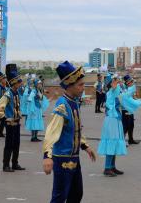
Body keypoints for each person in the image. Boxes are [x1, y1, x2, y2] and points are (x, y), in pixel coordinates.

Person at [42, 61, 96, 203]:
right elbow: (51, 132)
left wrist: (85, 146)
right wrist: (47, 156)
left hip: (74, 158)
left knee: (76, 194)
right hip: (62, 159)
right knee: (59, 197)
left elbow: (75, 129)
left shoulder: (74, 102)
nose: (83, 88)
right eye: (80, 85)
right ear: (69, 85)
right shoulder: (62, 106)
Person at [0, 64, 25, 172]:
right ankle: (6, 165)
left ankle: (15, 163)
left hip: (16, 122)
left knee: (16, 143)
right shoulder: (8, 94)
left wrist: (19, 114)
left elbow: (16, 106)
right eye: (18, 82)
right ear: (13, 82)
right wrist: (4, 118)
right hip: (10, 123)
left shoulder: (16, 92)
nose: (20, 83)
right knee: (9, 144)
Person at [97, 74, 128, 177]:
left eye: (117, 80)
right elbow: (116, 93)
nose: (117, 82)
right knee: (111, 141)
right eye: (114, 81)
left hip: (116, 119)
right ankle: (107, 168)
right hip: (111, 120)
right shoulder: (111, 93)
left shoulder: (115, 91)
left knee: (114, 142)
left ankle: (112, 166)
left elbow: (121, 94)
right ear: (110, 84)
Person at [121, 75, 140, 145]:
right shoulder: (123, 88)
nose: (132, 82)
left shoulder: (130, 88)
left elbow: (132, 96)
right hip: (125, 109)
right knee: (125, 125)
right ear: (127, 81)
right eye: (130, 81)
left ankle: (131, 139)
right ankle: (121, 142)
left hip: (130, 109)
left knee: (131, 124)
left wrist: (135, 99)